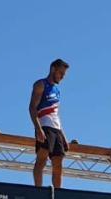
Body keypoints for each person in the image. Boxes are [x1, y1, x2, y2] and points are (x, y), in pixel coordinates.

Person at [29, 59, 69, 188]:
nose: (62, 77)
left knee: (58, 162)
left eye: (64, 75)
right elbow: (32, 107)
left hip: (56, 128)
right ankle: (38, 190)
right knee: (42, 158)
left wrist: (63, 135)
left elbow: (56, 114)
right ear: (53, 69)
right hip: (44, 126)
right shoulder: (41, 84)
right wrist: (38, 128)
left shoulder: (57, 90)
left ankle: (58, 193)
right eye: (61, 73)